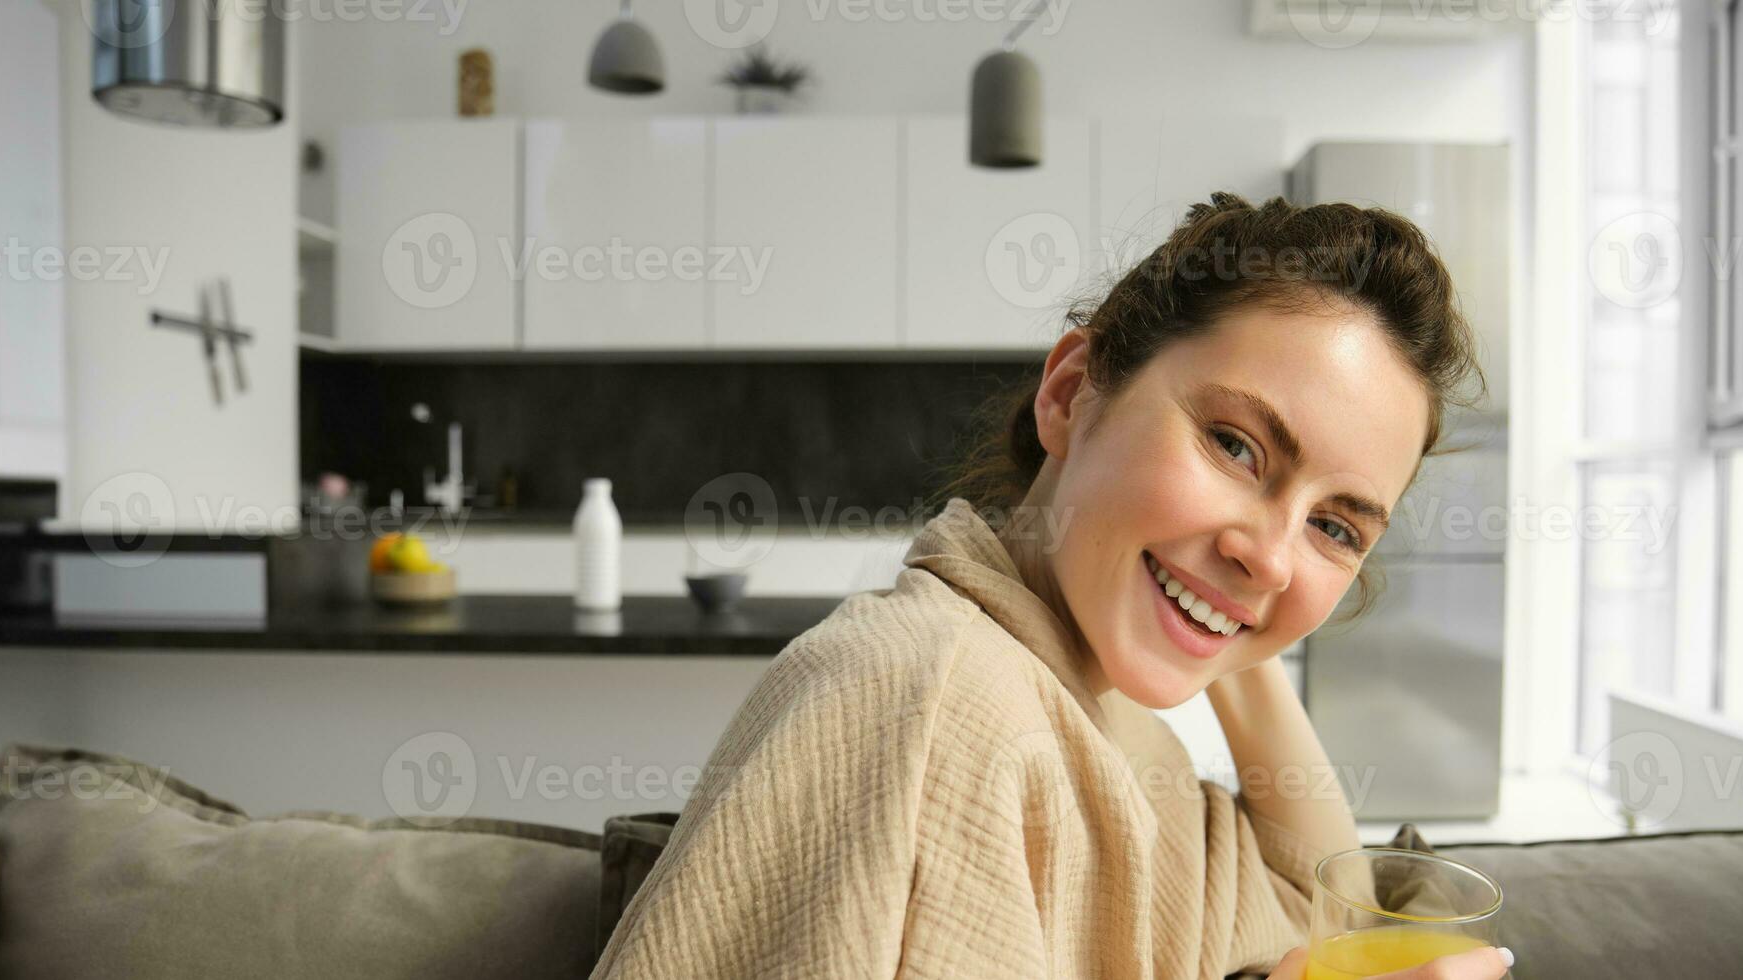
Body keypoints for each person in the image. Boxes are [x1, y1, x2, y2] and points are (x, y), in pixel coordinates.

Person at [591, 193, 1507, 980]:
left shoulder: (1100, 706)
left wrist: (1226, 610)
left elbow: (1303, 899)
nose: (1274, 554)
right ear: (1072, 393)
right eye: (1235, 445)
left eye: (1335, 526)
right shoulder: (932, 702)